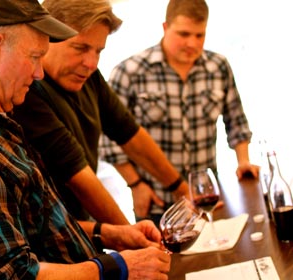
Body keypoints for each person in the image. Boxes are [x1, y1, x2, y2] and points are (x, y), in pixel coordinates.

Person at [0, 0, 171, 279]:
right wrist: (119, 267)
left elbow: (37, 226)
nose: (39, 74)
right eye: (35, 57)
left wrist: (110, 234)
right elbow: (9, 275)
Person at [12, 0, 189, 226]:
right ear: (47, 37)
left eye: (98, 51)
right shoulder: (28, 92)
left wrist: (182, 190)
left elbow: (129, 133)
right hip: (54, 238)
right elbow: (77, 175)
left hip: (84, 226)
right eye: (80, 48)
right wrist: (132, 237)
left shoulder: (88, 78)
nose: (92, 63)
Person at [99, 0, 260, 221]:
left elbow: (237, 121)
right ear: (165, 27)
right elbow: (109, 141)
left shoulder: (218, 67)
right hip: (157, 202)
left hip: (207, 199)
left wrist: (243, 160)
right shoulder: (130, 72)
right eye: (183, 34)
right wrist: (136, 185)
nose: (192, 43)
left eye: (199, 35)